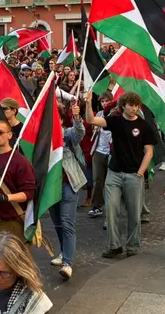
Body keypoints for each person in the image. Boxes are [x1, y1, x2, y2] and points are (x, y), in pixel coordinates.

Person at [86, 91, 155, 259]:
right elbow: (91, 120)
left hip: (134, 175)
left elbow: (149, 151)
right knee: (111, 210)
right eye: (131, 105)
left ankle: (132, 245)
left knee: (134, 213)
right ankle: (114, 245)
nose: (134, 109)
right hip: (114, 173)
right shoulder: (115, 121)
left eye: (136, 105)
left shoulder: (144, 126)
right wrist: (88, 103)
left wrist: (140, 172)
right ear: (123, 106)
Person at [0, 119, 36, 244]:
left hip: (12, 223)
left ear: (9, 135)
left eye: (0, 132)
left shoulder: (20, 162)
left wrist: (6, 197)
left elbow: (29, 193)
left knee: (13, 257)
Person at [49, 102, 86, 280]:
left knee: (67, 222)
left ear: (61, 119)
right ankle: (64, 252)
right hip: (50, 187)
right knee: (57, 222)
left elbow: (79, 132)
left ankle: (68, 263)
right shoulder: (42, 138)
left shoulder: (67, 134)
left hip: (68, 184)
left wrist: (77, 117)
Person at [88, 91, 114, 218]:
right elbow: (92, 125)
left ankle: (113, 206)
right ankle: (97, 205)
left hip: (112, 152)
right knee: (97, 180)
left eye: (106, 101)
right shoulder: (99, 114)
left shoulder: (115, 114)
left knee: (112, 181)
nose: (104, 103)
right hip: (99, 150)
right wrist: (95, 128)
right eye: (102, 101)